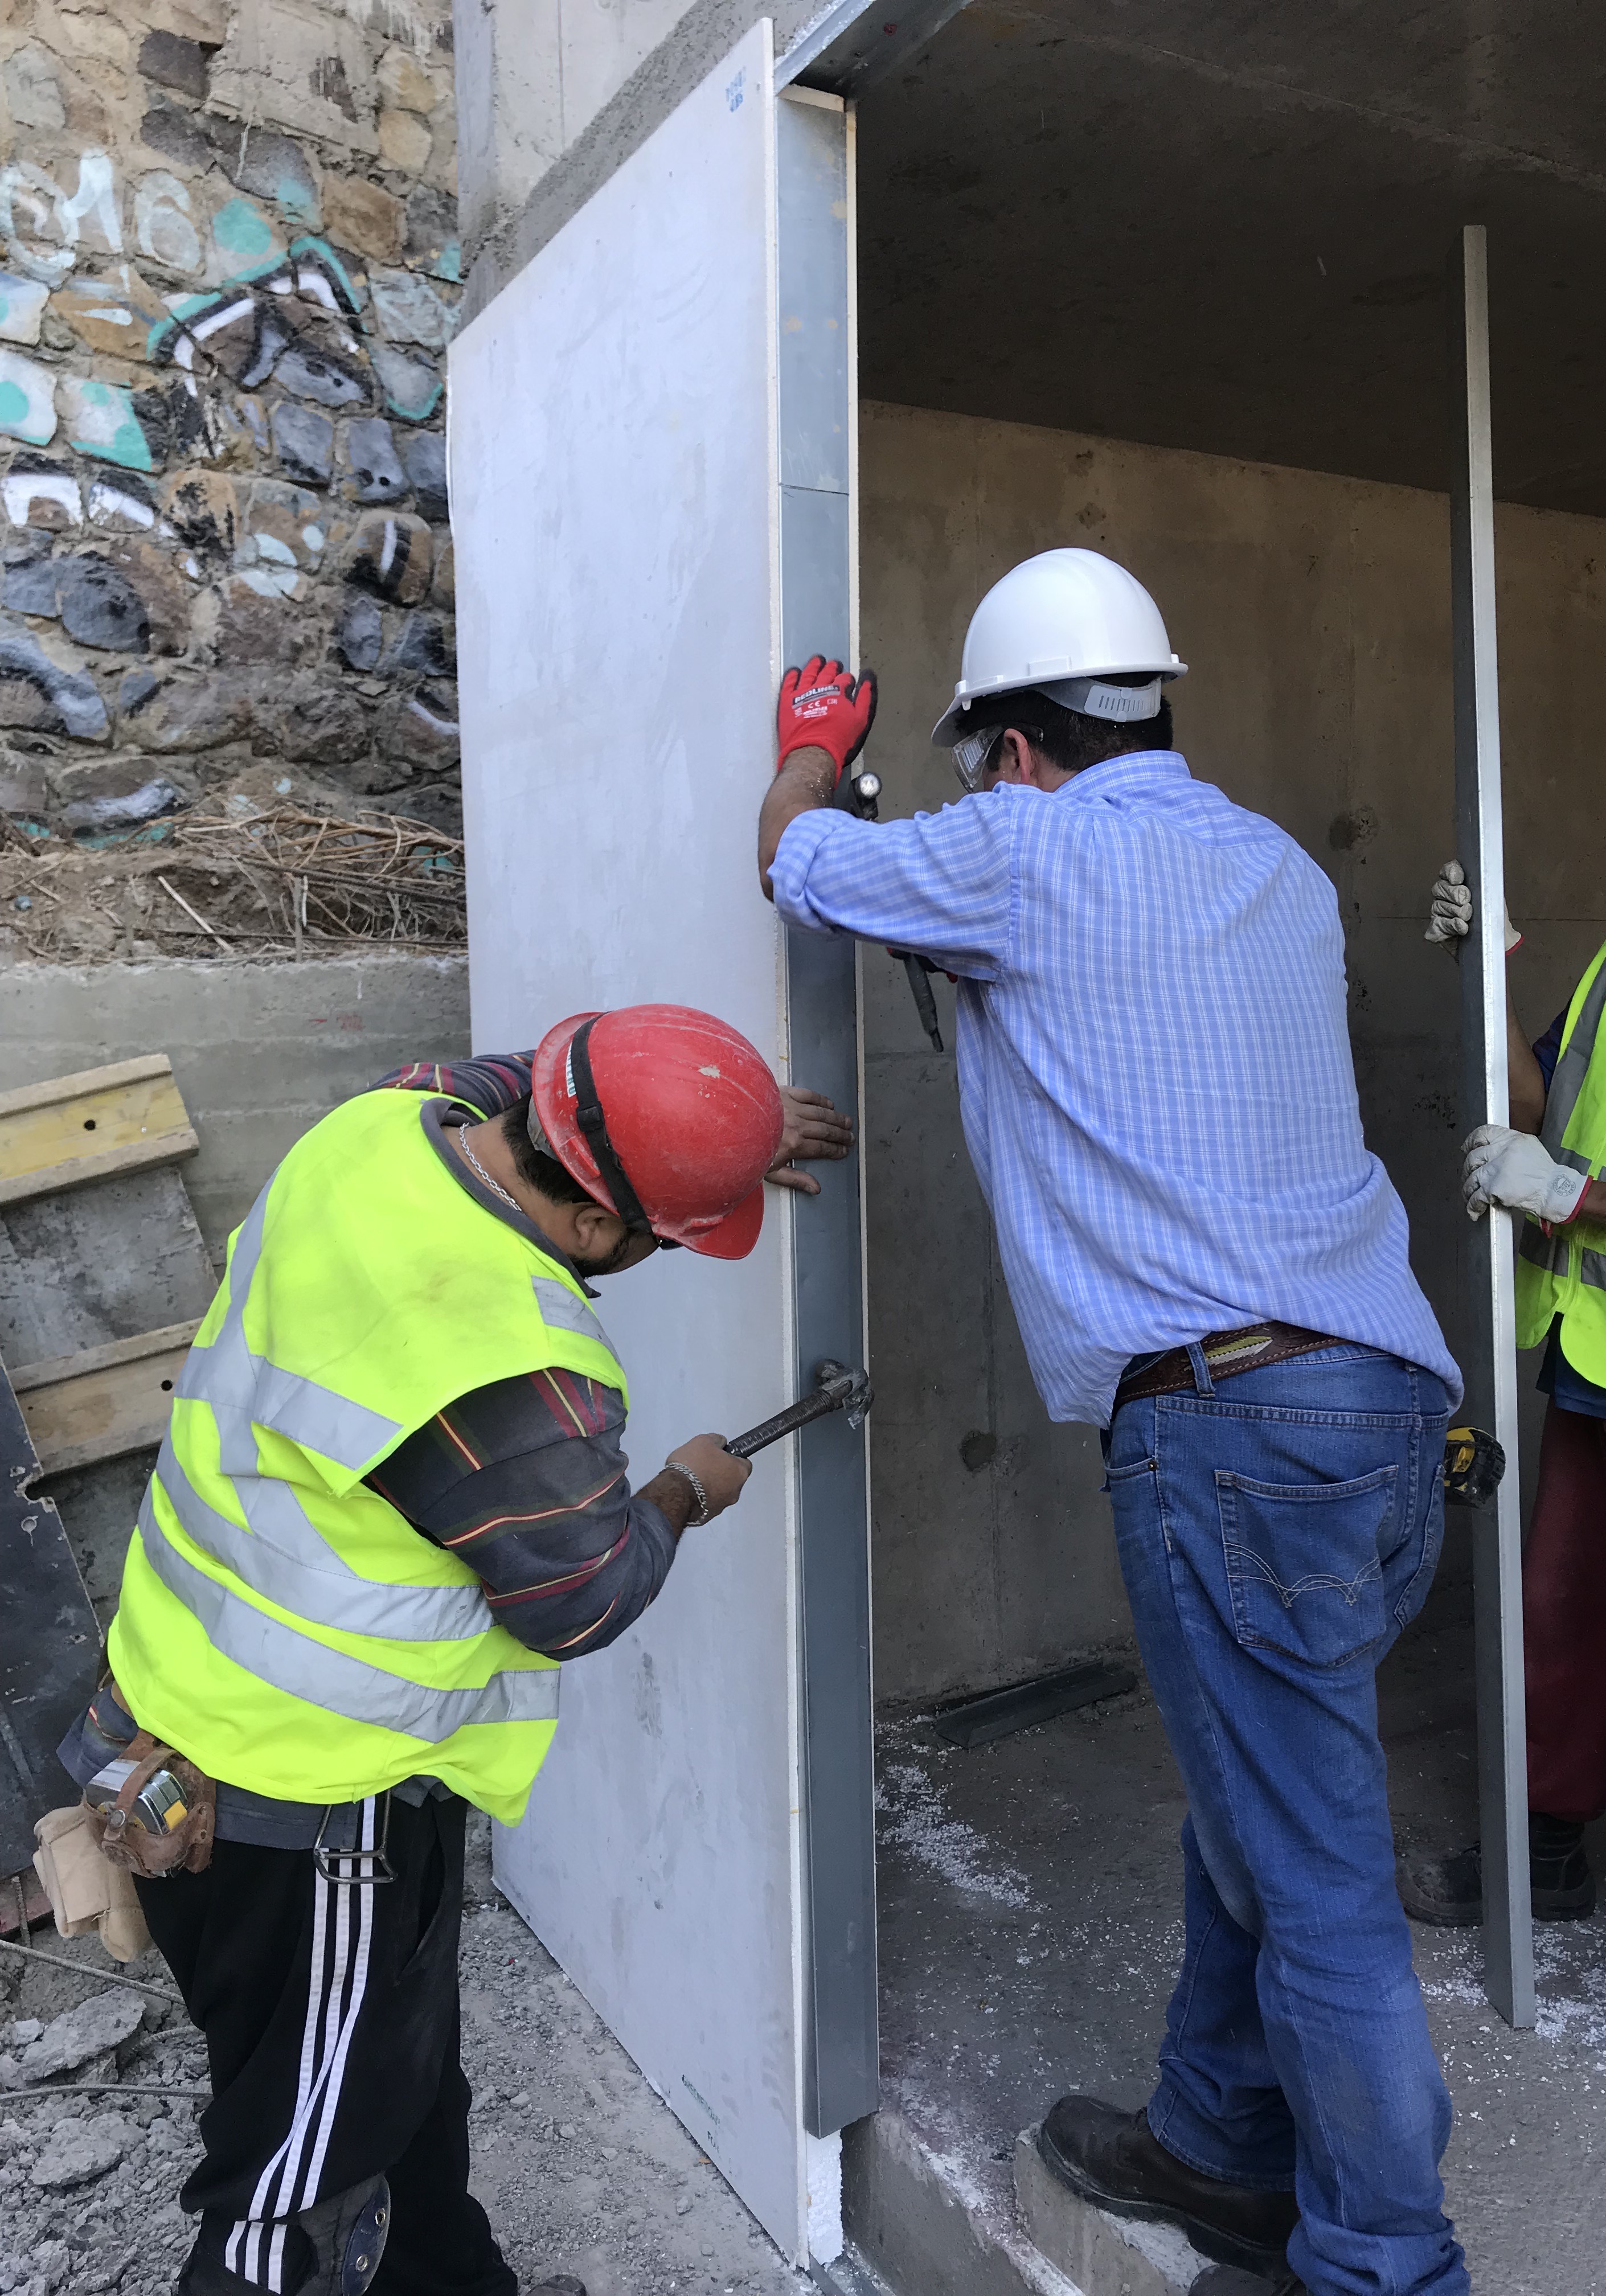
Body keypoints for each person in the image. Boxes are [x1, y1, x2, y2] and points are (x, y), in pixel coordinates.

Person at [759, 548, 1466, 2296]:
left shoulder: (1020, 848)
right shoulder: (1279, 870)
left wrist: (811, 743)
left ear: (1006, 744)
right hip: (1383, 1411)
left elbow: (802, 862)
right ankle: (1218, 2142)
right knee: (1255, 1804)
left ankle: (1388, 2260)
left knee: (1314, 1874)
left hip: (1229, 1435)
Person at [57, 1008, 852, 2296]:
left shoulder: (378, 1131)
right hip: (306, 1811)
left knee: (395, 2093)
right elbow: (581, 1595)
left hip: (171, 1726)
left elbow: (515, 1077)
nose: (650, 1251)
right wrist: (684, 1494)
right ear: (597, 1229)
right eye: (659, 1234)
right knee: (299, 2198)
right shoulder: (503, 1367)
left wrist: (711, 1141)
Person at [1409, 695, 1606, 2054]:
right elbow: (1542, 1098)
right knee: (1568, 1621)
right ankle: (1549, 1852)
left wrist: (1575, 1195)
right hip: (1594, 1356)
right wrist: (1492, 967)